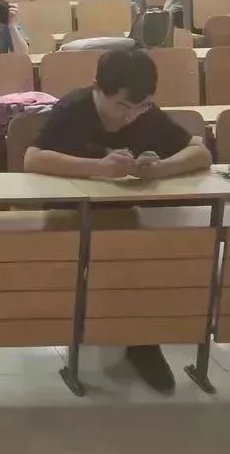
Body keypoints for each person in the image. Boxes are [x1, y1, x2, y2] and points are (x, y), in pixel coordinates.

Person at [23, 47, 212, 394]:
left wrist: (159, 168)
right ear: (98, 88)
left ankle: (140, 339)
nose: (130, 116)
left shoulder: (145, 113)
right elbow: (33, 159)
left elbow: (200, 153)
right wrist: (98, 167)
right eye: (122, 106)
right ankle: (107, 329)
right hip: (70, 210)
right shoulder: (74, 108)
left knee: (153, 251)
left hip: (123, 213)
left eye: (141, 107)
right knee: (119, 249)